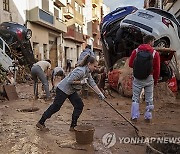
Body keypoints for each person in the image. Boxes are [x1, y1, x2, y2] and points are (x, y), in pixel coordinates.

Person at [36, 55, 105, 131]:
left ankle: (73, 126)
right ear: (89, 64)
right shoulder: (81, 71)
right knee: (56, 107)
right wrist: (81, 82)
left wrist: (99, 93)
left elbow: (92, 83)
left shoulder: (87, 72)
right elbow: (69, 81)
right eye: (94, 66)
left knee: (79, 105)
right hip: (63, 89)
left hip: (71, 91)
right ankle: (41, 122)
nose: (95, 68)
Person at [129, 35, 160, 122]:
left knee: (135, 97)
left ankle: (134, 116)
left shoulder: (136, 51)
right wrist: (155, 80)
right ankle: (148, 117)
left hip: (137, 77)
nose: (153, 43)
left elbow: (130, 64)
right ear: (150, 42)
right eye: (153, 41)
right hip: (149, 78)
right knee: (149, 98)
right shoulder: (155, 53)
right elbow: (157, 69)